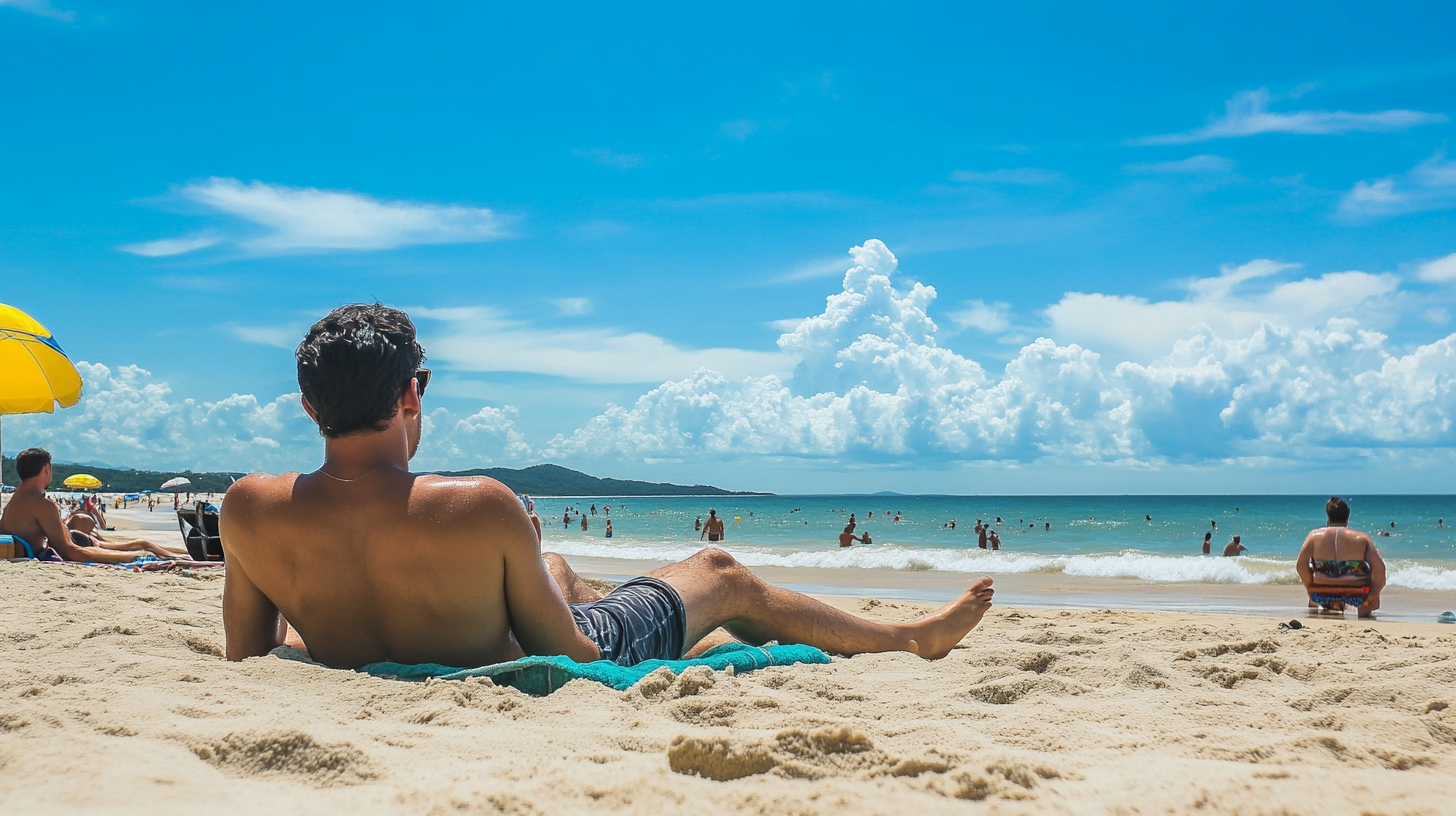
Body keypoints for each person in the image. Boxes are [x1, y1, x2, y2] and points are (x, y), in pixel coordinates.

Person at [220, 304, 995, 668]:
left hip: (369, 638)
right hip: (518, 654)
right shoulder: (478, 504)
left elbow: (249, 656)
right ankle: (908, 638)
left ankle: (571, 581)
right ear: (411, 395)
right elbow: (576, 658)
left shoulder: (251, 508)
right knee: (720, 573)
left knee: (558, 572)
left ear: (310, 407)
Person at [0, 448, 188, 563]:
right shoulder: (41, 504)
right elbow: (70, 552)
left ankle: (184, 555)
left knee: (144, 544)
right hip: (75, 545)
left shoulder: (17, 500)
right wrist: (135, 557)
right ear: (46, 469)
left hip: (72, 540)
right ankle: (184, 557)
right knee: (143, 546)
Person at [1297, 497, 1385, 618]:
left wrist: (1310, 586)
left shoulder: (1314, 536)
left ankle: (1319, 611)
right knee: (1372, 567)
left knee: (1316, 574)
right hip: (1357, 596)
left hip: (1322, 595)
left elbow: (1301, 566)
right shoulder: (1362, 538)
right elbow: (1380, 568)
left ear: (1328, 517)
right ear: (1347, 518)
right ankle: (1364, 613)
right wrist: (1374, 592)